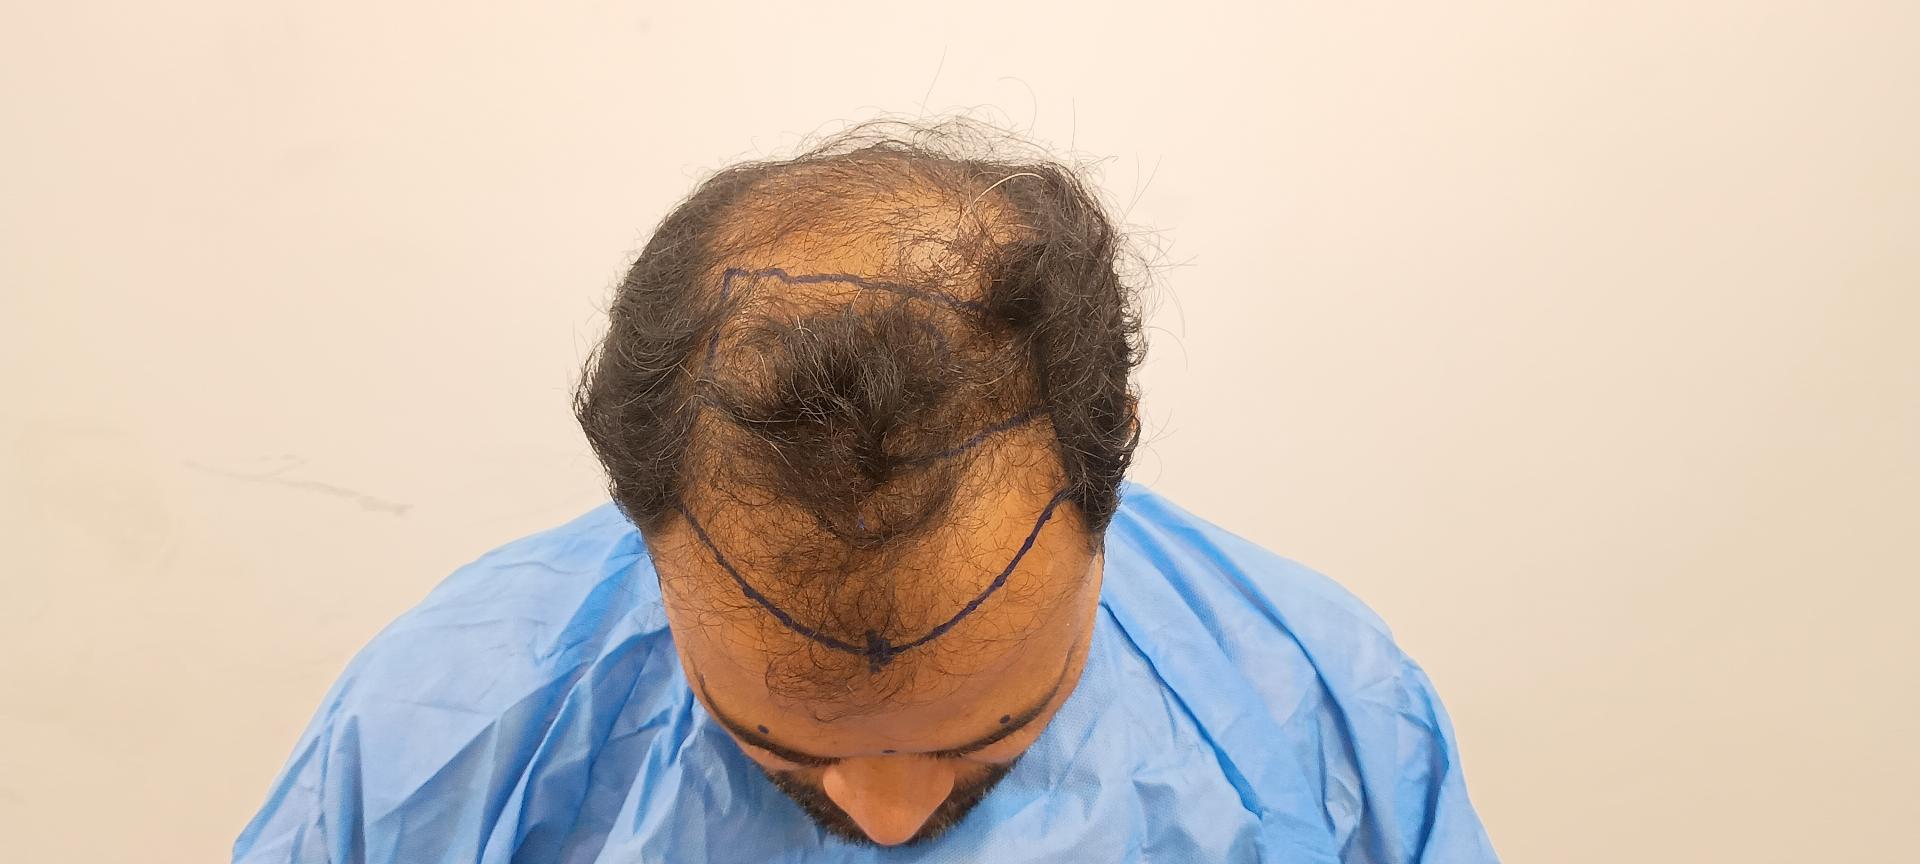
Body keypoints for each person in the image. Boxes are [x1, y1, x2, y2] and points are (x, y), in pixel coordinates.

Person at [234, 123, 1499, 863]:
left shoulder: (1324, 725)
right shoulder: (438, 740)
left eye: (992, 726)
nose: (889, 822)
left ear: (1108, 467)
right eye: (785, 741)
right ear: (640, 513)